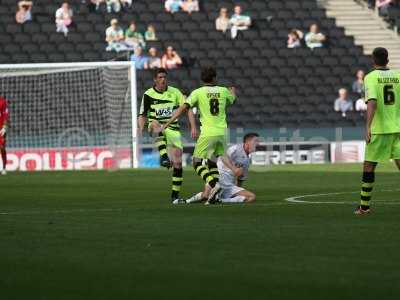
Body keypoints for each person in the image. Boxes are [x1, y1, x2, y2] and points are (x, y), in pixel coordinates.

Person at [159, 66, 237, 204]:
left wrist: (167, 123)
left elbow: (183, 109)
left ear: (202, 79)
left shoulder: (198, 92)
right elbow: (233, 100)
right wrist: (233, 92)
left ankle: (214, 184)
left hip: (208, 133)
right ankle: (215, 196)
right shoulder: (224, 90)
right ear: (214, 78)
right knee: (213, 162)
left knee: (196, 162)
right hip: (223, 132)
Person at [138, 68, 197, 203]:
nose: (163, 79)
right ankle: (164, 157)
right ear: (155, 79)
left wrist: (193, 126)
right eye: (159, 77)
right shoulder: (148, 94)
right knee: (154, 124)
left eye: (164, 77)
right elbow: (142, 114)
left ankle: (174, 196)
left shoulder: (175, 92)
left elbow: (186, 108)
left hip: (173, 128)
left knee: (177, 162)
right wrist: (140, 128)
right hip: (156, 124)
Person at [355, 47, 400, 215]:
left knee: (369, 166)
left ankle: (364, 207)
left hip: (380, 130)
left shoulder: (370, 77)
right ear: (387, 59)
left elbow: (372, 103)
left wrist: (368, 126)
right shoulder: (398, 76)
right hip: (398, 128)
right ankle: (364, 207)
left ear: (373, 60)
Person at [185, 133, 259, 204]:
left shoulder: (247, 160)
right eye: (256, 141)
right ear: (248, 141)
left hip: (229, 185)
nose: (258, 144)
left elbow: (240, 179)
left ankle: (221, 200)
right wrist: (234, 169)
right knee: (206, 196)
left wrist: (237, 191)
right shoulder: (235, 149)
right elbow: (223, 156)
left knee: (251, 197)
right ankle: (187, 201)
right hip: (218, 178)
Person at [0, 96, 9, 175]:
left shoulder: (2, 101)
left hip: (1, 128)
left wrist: (5, 126)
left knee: (2, 147)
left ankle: (4, 168)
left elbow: (6, 115)